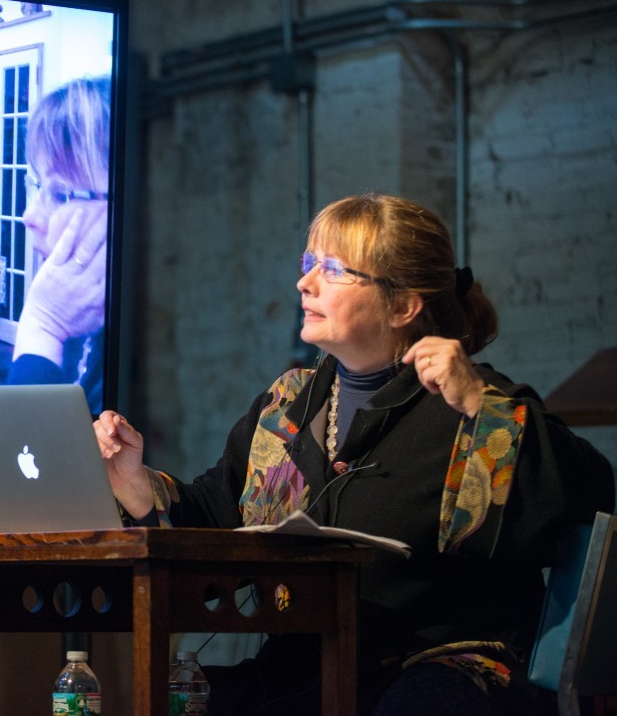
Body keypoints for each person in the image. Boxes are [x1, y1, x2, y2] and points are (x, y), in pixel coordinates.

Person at [93, 192, 614, 715]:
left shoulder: (469, 402)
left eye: (335, 269)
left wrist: (481, 405)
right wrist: (132, 479)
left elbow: (588, 497)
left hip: (438, 668)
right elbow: (212, 517)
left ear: (403, 305)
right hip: (305, 670)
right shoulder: (287, 404)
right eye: (308, 262)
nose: (305, 282)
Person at [8, 76, 111, 412]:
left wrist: (43, 325)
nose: (29, 215)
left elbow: (24, 460)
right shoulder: (85, 314)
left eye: (60, 193)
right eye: (37, 185)